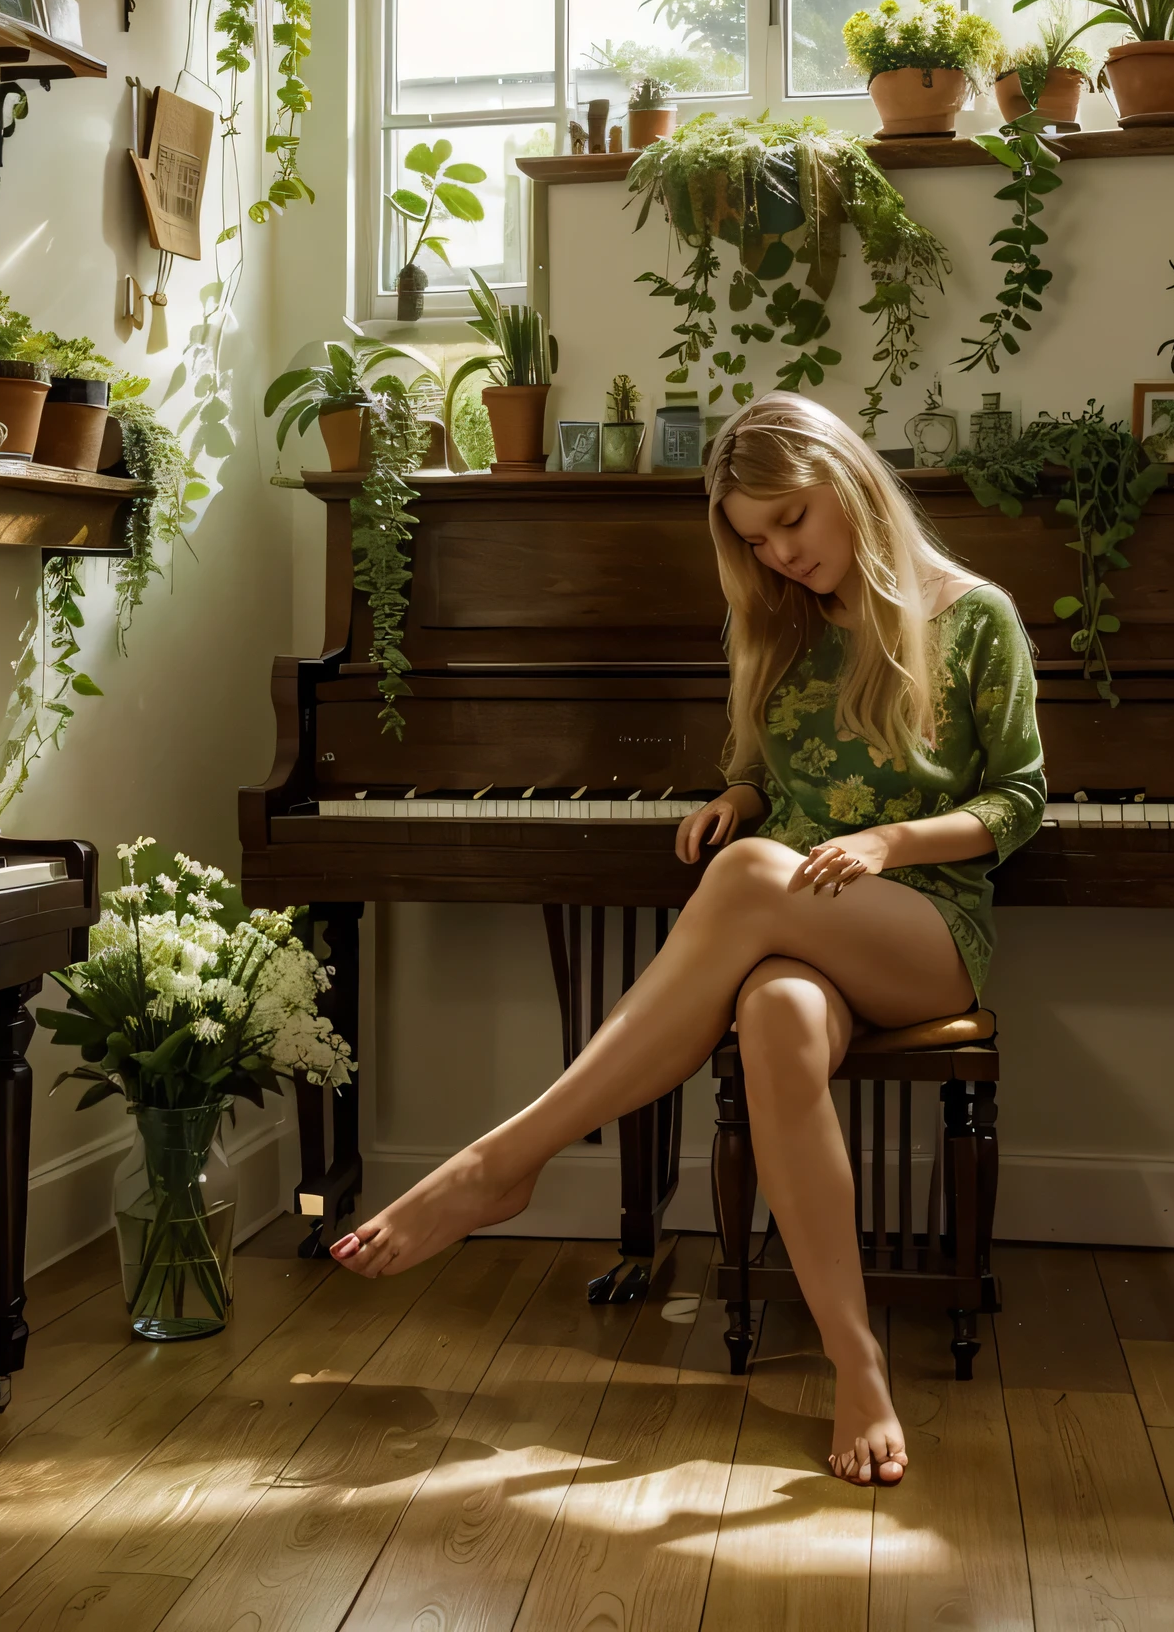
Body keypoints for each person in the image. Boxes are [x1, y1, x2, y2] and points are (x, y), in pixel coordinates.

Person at [331, 392, 1045, 1485]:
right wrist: (741, 797)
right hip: (795, 928)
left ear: (846, 479)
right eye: (754, 538)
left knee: (748, 879)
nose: (779, 553)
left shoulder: (973, 615)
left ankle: (502, 1158)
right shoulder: (778, 621)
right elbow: (774, 762)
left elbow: (1020, 800)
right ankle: (857, 1368)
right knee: (771, 1016)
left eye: (791, 520)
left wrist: (887, 843)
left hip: (921, 926)